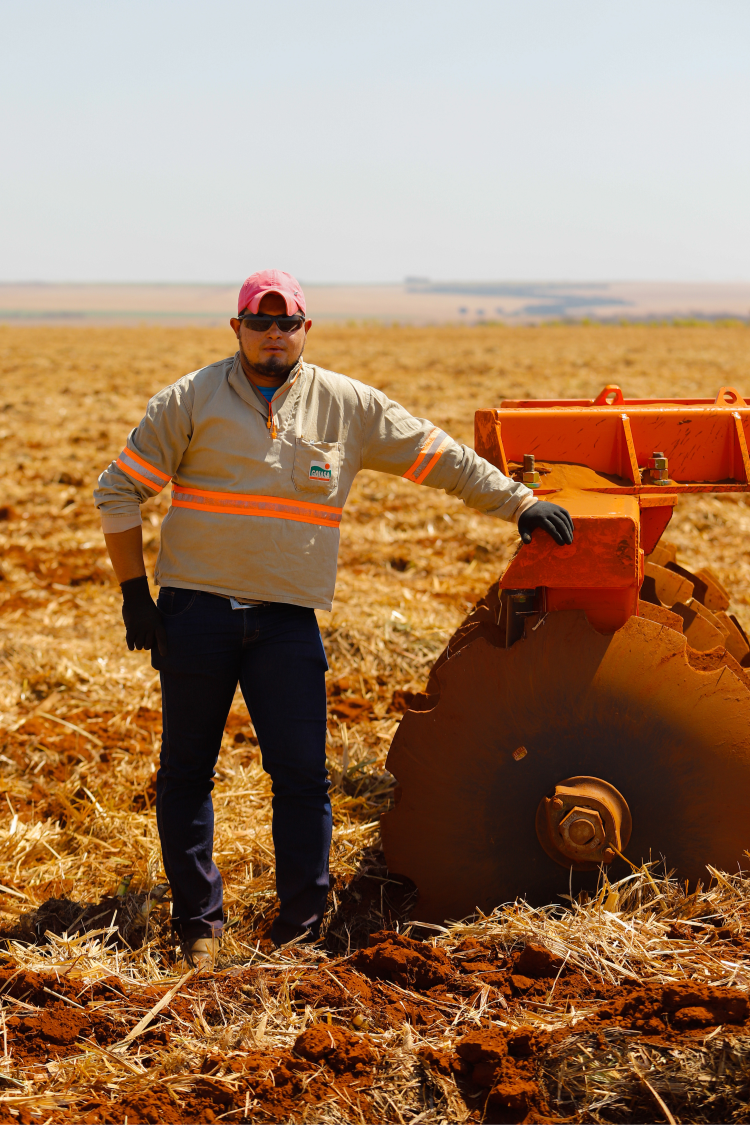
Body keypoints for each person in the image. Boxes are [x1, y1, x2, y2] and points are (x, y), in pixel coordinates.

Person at [94, 269, 573, 968]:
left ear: (305, 329)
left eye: (286, 322)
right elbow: (118, 489)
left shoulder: (348, 405)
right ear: (236, 329)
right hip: (196, 615)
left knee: (304, 778)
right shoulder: (190, 399)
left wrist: (518, 502)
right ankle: (199, 926)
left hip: (287, 624)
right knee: (186, 772)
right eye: (259, 322)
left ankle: (300, 928)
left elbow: (438, 455)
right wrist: (135, 592)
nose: (273, 334)